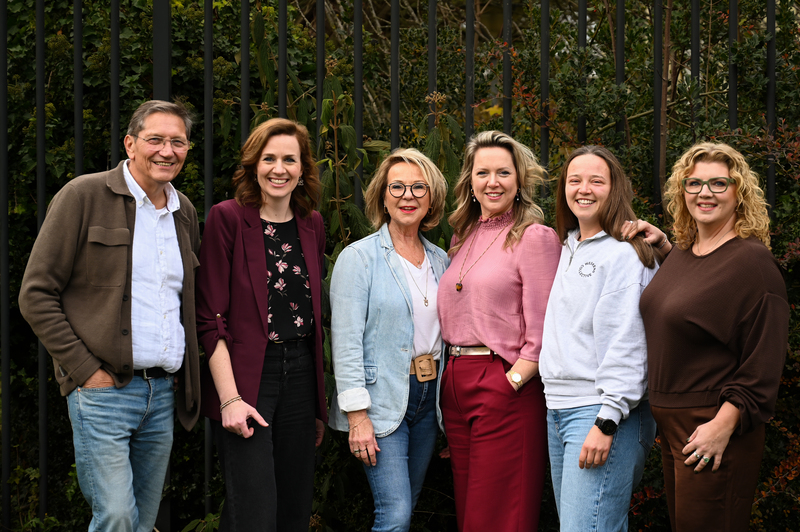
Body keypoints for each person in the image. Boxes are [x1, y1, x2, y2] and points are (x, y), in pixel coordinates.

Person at [18, 100, 201, 531]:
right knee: (116, 515)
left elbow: (182, 302)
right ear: (130, 144)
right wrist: (85, 370)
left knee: (143, 520)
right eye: (155, 139)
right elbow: (36, 294)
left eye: (178, 142)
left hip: (161, 393)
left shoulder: (184, 212)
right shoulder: (83, 196)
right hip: (103, 392)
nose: (167, 151)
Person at [621, 142, 790, 532]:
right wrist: (664, 248)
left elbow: (764, 362)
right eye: (694, 183)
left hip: (711, 425)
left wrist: (723, 425)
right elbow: (694, 302)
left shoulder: (752, 262)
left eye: (719, 183)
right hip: (673, 426)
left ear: (738, 192)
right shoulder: (684, 252)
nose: (705, 193)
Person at [196, 118, 327, 532]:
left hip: (301, 376)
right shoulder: (228, 218)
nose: (279, 169)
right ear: (254, 166)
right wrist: (229, 399)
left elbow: (314, 316)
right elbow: (210, 318)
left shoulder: (312, 223)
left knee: (293, 510)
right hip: (249, 377)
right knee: (253, 512)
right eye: (269, 159)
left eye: (290, 159)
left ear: (303, 168)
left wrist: (316, 402)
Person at [437, 130, 561, 531]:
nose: (493, 182)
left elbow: (544, 328)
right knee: (470, 514)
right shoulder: (462, 237)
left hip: (504, 383)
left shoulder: (534, 238)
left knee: (497, 517)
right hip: (454, 386)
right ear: (470, 181)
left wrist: (512, 382)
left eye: (503, 173)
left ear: (519, 180)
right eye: (483, 172)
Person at [329, 148, 449, 532]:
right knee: (395, 515)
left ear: (431, 198)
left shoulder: (442, 260)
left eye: (418, 187)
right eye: (397, 187)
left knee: (407, 507)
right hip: (380, 401)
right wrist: (357, 416)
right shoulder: (359, 258)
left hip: (429, 401)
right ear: (382, 196)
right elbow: (345, 342)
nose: (407, 196)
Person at [539, 145, 658, 531]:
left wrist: (607, 420)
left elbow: (630, 341)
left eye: (596, 181)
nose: (583, 189)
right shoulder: (566, 246)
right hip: (557, 409)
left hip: (600, 411)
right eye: (574, 180)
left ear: (615, 188)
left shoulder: (624, 253)